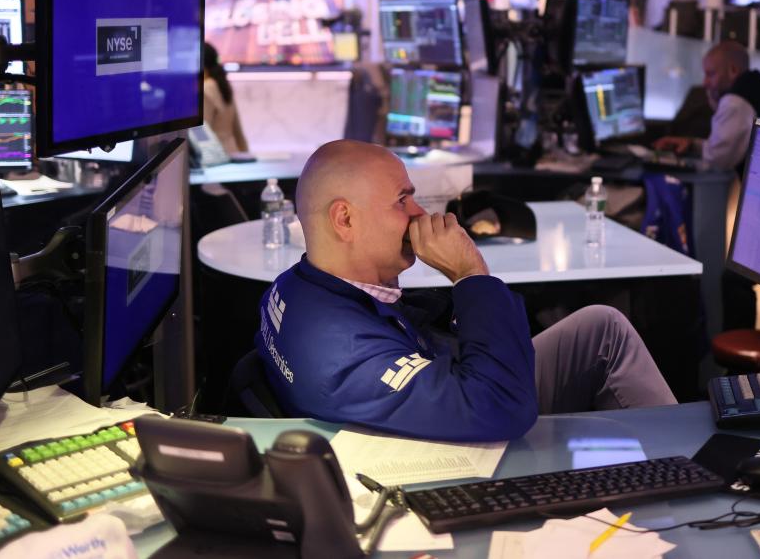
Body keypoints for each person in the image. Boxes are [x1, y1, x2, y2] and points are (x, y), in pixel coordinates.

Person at [255, 140, 676, 442]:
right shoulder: (342, 353)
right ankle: (682, 477)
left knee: (602, 328)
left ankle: (677, 464)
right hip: (470, 438)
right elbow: (499, 409)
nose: (420, 214)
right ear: (344, 219)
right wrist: (469, 273)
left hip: (452, 387)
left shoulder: (297, 285)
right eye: (402, 201)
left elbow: (411, 320)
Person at [653, 40, 760, 172]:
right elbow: (720, 149)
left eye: (711, 74)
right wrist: (691, 144)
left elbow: (717, 163)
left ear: (733, 70)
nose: (705, 83)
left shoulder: (735, 102)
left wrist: (718, 108)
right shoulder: (758, 86)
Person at [202, 42, 250, 156]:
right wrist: (246, 155)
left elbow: (203, 134)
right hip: (231, 152)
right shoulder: (222, 84)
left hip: (216, 157)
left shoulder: (206, 88)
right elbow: (238, 131)